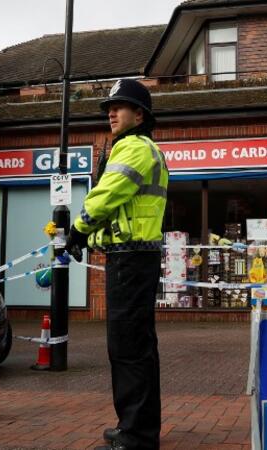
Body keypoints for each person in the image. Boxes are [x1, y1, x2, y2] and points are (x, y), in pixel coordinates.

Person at [66, 79, 168, 450]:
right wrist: (91, 238)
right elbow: (119, 206)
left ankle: (136, 436)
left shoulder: (134, 147)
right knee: (137, 346)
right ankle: (138, 427)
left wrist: (77, 231)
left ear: (139, 115)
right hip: (133, 257)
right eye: (109, 108)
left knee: (127, 348)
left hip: (130, 259)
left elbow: (106, 196)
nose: (111, 113)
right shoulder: (138, 147)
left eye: (118, 107)